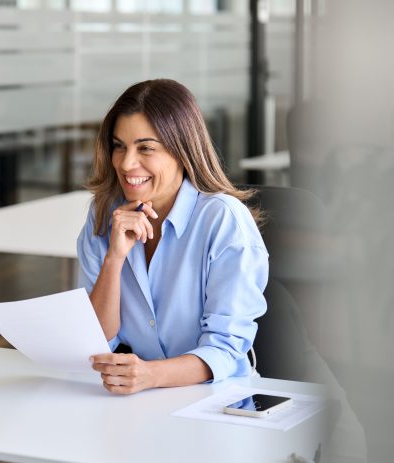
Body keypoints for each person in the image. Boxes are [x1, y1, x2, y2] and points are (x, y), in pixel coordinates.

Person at [78, 79, 268, 394]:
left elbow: (225, 350)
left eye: (146, 148)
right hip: (142, 398)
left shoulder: (222, 220)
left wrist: (150, 375)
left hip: (218, 398)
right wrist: (114, 259)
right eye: (119, 146)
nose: (126, 163)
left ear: (181, 151)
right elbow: (97, 339)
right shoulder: (104, 216)